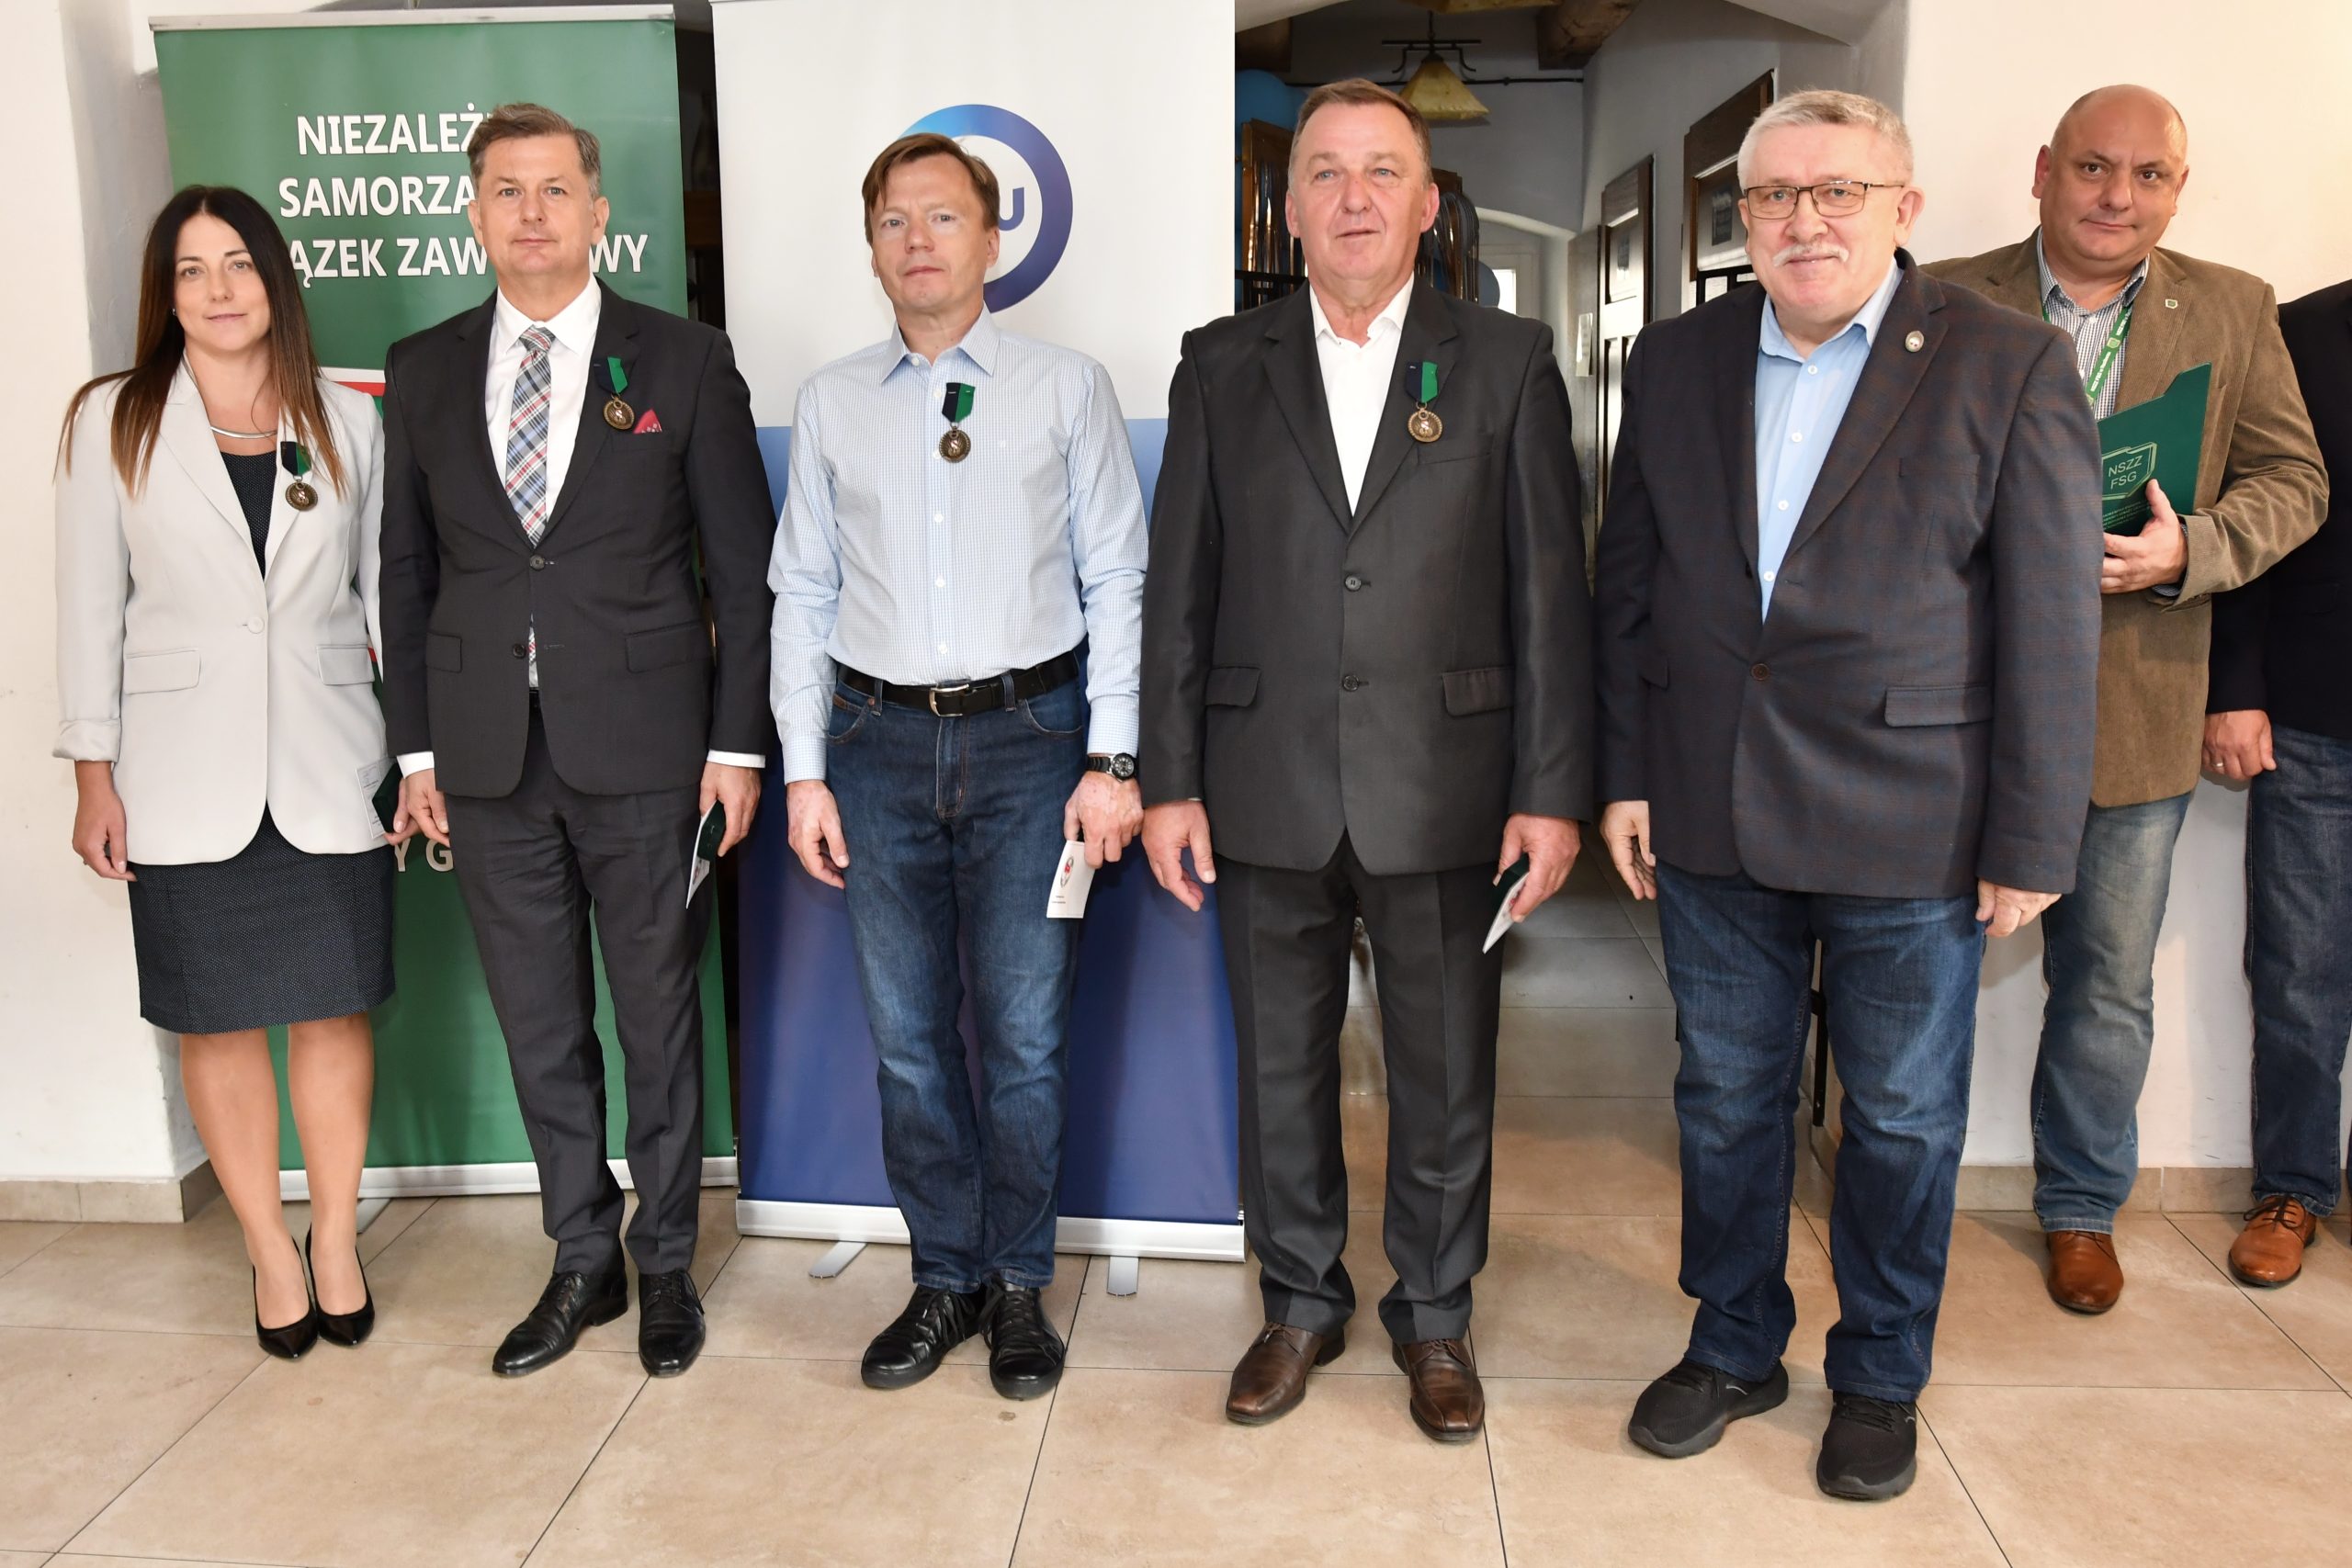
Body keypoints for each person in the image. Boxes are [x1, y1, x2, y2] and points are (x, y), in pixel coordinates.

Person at [1596, 90, 2104, 1500]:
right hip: (1709, 801)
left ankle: (1880, 1369)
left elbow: (2052, 617)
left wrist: (2030, 834)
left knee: (1899, 1115)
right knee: (1724, 1096)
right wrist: (1622, 771)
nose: (1804, 221)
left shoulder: (2007, 363)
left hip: (1915, 814)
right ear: (1743, 217)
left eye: (1838, 193)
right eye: (1774, 196)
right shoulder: (1677, 357)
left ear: (1904, 209)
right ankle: (1734, 1340)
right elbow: (1626, 583)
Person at [1140, 79, 1591, 1444]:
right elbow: (1179, 590)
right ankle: (1297, 1301)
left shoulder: (1507, 360)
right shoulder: (1218, 363)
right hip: (1258, 778)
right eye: (1325, 173)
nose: (1352, 198)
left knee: (1443, 1070)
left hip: (1448, 785)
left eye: (1381, 171)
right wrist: (1169, 779)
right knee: (1279, 1067)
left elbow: (1550, 597)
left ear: (1426, 203)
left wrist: (1551, 791)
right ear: (1287, 208)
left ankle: (1435, 1314)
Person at [378, 104, 775, 1380]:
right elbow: (405, 573)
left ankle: (665, 1264)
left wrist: (737, 748)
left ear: (599, 211)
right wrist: (417, 755)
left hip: (650, 750)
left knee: (657, 1016)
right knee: (539, 1021)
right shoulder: (422, 368)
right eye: (507, 190)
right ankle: (581, 1256)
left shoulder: (685, 360)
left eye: (556, 189)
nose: (532, 212)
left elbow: (743, 574)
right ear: (476, 213)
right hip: (487, 755)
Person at [1927, 85, 2326, 1314]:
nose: (2118, 196)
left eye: (2149, 176)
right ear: (2043, 170)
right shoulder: (1939, 295)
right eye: (2094, 167)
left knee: (2105, 983)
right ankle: (1902, 1190)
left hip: (2137, 704)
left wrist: (2188, 549)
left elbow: (2294, 479)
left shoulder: (2236, 308)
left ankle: (2081, 1209)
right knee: (1919, 971)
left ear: (2177, 191)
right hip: (1948, 708)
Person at [769, 132, 1148, 1401]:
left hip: (1033, 745)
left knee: (1027, 1041)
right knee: (909, 1044)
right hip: (872, 748)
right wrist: (805, 771)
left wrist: (1112, 755)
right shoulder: (832, 400)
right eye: (894, 220)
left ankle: (1020, 1281)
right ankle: (944, 1275)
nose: (917, 239)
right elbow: (802, 591)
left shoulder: (1066, 387)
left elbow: (1118, 575)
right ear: (871, 247)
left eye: (942, 216)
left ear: (992, 239)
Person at [55, 185, 394, 1361]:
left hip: (327, 758)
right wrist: (92, 773)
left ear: (275, 279)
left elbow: (387, 601)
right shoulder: (112, 419)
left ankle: (335, 1239)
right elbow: (88, 608)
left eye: (239, 264)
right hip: (178, 772)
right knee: (217, 1022)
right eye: (191, 270)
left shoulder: (347, 419)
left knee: (333, 1008)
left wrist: (418, 757)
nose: (218, 289)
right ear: (167, 294)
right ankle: (268, 1250)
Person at [2204, 276, 2347, 1287]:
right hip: (2314, 711)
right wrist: (2236, 689)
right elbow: (2251, 515)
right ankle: (2291, 1187)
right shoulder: (2301, 330)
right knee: (2300, 972)